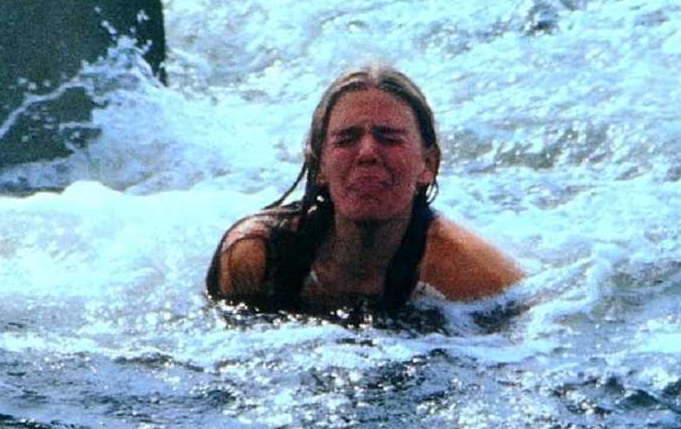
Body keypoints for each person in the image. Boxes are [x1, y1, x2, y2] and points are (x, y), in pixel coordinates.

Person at [207, 65, 522, 317]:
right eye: (346, 139)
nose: (368, 152)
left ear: (427, 165)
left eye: (389, 138)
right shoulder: (256, 257)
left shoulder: (474, 277)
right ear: (319, 166)